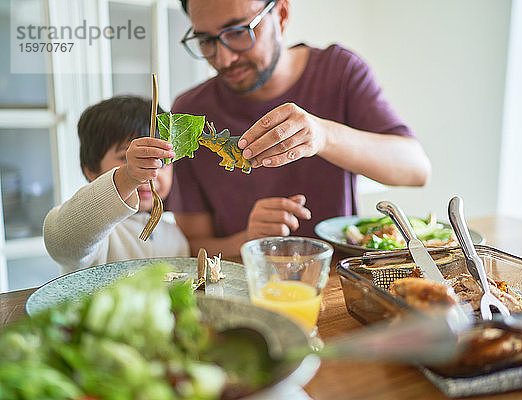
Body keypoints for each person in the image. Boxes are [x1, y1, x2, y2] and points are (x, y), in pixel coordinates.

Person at [168, 0, 431, 257]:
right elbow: (191, 246)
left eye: (238, 32)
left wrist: (323, 135)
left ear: (281, 14)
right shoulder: (190, 112)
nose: (224, 59)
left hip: (340, 282)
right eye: (205, 41)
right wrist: (247, 240)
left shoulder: (339, 73)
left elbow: (416, 169)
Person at [44, 96, 190, 274]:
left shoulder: (175, 238)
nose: (150, 172)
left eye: (162, 161)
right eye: (126, 158)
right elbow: (60, 241)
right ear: (91, 169)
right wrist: (127, 177)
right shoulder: (97, 236)